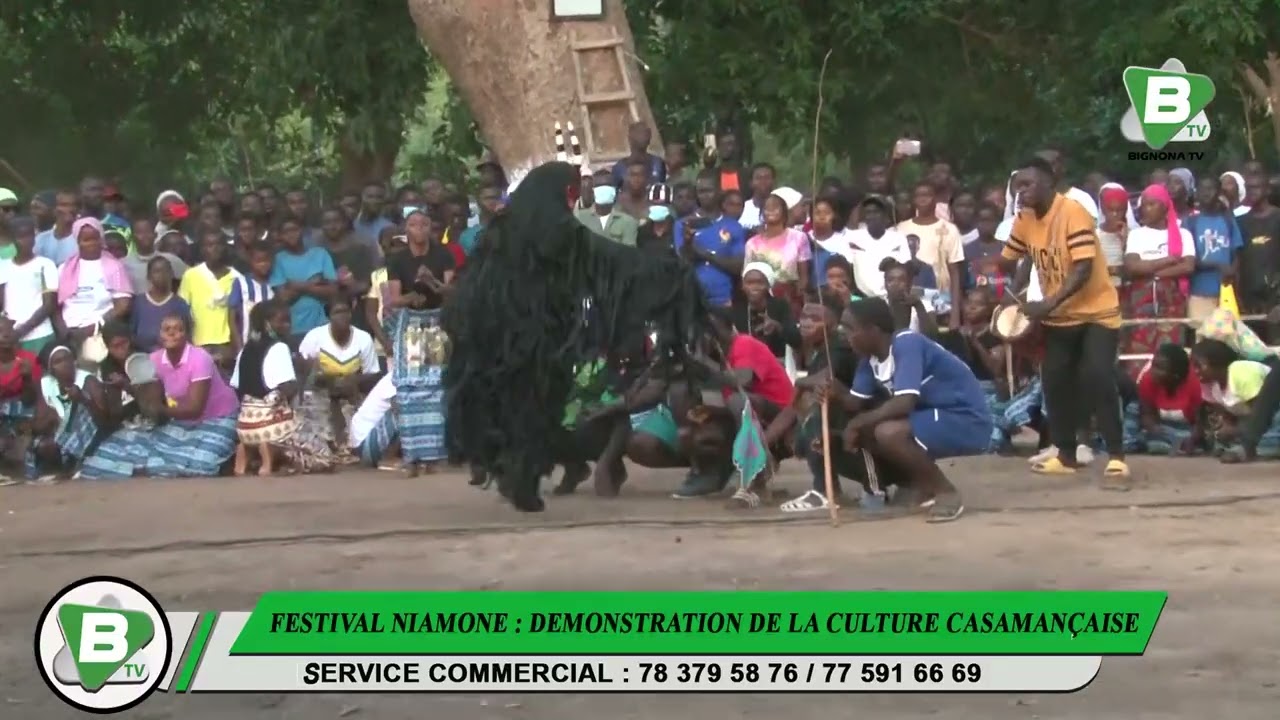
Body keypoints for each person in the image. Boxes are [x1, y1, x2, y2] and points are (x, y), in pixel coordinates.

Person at [444, 161, 710, 512]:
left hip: (492, 332)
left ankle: (518, 471)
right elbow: (604, 257)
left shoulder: (502, 226)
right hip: (526, 334)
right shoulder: (553, 227)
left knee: (509, 401)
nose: (573, 199)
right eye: (570, 191)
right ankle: (523, 479)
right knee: (530, 402)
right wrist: (667, 272)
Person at [1000, 157, 1129, 484]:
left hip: (1097, 311)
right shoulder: (1025, 218)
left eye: (1028, 185)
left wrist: (1047, 303)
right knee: (1055, 382)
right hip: (1060, 316)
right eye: (1018, 186)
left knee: (1098, 376)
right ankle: (1066, 454)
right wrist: (1009, 295)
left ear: (1048, 184)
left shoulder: (1073, 212)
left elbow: (1083, 269)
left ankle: (1116, 455)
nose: (1022, 191)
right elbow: (1016, 257)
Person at [820, 298, 989, 523]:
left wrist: (857, 422)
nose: (844, 334)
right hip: (934, 418)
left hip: (965, 419)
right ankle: (919, 485)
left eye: (850, 328)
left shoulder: (906, 343)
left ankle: (946, 493)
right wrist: (836, 392)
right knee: (870, 431)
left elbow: (905, 401)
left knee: (888, 433)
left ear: (873, 330)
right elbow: (854, 402)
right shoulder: (868, 360)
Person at [79, 313, 240, 479]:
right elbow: (150, 397)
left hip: (219, 417)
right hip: (182, 420)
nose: (172, 333)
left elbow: (195, 409)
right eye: (167, 329)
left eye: (178, 329)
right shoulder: (154, 360)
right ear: (160, 335)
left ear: (187, 335)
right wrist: (143, 396)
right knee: (133, 451)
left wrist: (159, 409)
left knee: (201, 464)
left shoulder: (200, 358)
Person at [386, 207, 455, 475]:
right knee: (410, 389)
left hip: (435, 322)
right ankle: (412, 453)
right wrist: (412, 294)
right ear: (407, 229)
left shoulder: (443, 254)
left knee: (435, 386)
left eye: (424, 224)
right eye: (413, 225)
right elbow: (393, 299)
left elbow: (449, 291)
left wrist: (432, 281)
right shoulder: (397, 259)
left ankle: (433, 455)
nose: (419, 229)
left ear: (430, 228)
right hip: (411, 325)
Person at [231, 300, 336, 475]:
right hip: (272, 425)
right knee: (324, 457)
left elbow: (236, 386)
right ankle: (274, 450)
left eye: (289, 321)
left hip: (246, 425)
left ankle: (249, 451)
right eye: (282, 321)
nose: (288, 326)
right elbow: (288, 390)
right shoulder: (279, 348)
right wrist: (303, 372)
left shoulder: (245, 349)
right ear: (267, 323)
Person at [1120, 184, 1195, 368]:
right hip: (1140, 300)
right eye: (1143, 205)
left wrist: (1152, 271)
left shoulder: (1182, 233)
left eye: (1151, 204)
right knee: (1139, 348)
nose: (1145, 209)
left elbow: (1187, 266)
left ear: (1164, 207)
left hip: (1171, 299)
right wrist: (1168, 260)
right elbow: (1132, 267)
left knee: (1170, 350)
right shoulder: (1136, 235)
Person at [298, 297, 381, 463]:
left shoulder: (363, 338)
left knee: (358, 433)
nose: (342, 316)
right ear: (329, 316)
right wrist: (326, 380)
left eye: (346, 312)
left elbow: (373, 374)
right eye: (337, 312)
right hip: (321, 393)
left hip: (350, 394)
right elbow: (302, 368)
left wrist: (353, 380)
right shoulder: (315, 337)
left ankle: (345, 447)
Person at [1192, 339, 1280, 460]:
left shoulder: (1239, 370)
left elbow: (1262, 412)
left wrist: (1237, 430)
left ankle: (1260, 446)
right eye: (1194, 366)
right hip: (1252, 426)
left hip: (1268, 415)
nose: (1196, 371)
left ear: (1216, 362)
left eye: (1199, 365)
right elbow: (1228, 417)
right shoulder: (1210, 386)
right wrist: (1225, 430)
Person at [57, 217, 133, 357]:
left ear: (101, 239)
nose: (91, 244)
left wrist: (95, 327)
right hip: (69, 333)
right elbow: (56, 304)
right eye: (86, 240)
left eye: (95, 239)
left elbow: (123, 306)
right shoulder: (65, 268)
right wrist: (64, 331)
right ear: (78, 241)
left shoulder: (113, 266)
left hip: (99, 333)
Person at [26, 344, 99, 482]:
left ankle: (73, 465)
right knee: (43, 445)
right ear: (50, 369)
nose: (66, 364)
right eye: (58, 362)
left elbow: (103, 419)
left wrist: (82, 399)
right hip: (58, 435)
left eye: (68, 359)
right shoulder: (46, 384)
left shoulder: (88, 380)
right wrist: (52, 419)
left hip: (88, 435)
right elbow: (38, 424)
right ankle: (59, 468)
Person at [673, 170, 747, 307]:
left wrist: (704, 254)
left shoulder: (734, 226)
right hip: (690, 297)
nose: (704, 196)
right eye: (701, 191)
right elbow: (683, 261)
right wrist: (688, 243)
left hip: (723, 298)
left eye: (709, 191)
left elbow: (737, 267)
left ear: (719, 191)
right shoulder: (683, 224)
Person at [896, 182, 963, 327]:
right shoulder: (901, 228)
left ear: (936, 199)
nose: (923, 199)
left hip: (940, 301)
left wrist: (955, 315)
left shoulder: (949, 229)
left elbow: (954, 272)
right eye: (918, 195)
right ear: (913, 200)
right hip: (908, 299)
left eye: (927, 195)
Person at [1123, 343, 1204, 455]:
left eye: (1160, 368)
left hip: (1185, 427)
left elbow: (1199, 424)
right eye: (1153, 365)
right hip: (1160, 425)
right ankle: (1130, 442)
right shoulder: (1147, 380)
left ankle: (1171, 445)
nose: (1153, 372)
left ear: (1175, 374)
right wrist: (1154, 428)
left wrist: (1192, 440)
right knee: (1133, 407)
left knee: (1180, 440)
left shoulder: (1195, 384)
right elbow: (1147, 414)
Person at [1184, 176, 1244, 321]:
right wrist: (1217, 265)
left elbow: (1237, 252)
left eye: (1211, 189)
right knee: (1203, 338)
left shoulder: (1228, 220)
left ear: (1219, 193)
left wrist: (1232, 271)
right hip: (1199, 292)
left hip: (1226, 292)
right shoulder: (1190, 222)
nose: (1206, 193)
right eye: (1202, 189)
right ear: (1196, 193)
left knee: (1228, 339)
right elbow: (1187, 259)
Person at [178, 230, 241, 367]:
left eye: (219, 244)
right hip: (199, 344)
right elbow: (183, 313)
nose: (215, 249)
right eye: (209, 245)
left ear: (225, 247)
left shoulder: (237, 277)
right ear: (202, 249)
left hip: (227, 345)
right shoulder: (191, 275)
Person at [270, 216, 337, 345]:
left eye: (294, 229)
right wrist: (313, 283)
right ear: (280, 236)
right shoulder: (278, 260)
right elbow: (283, 298)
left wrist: (295, 285)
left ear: (302, 230)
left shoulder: (320, 254)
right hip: (292, 329)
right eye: (286, 232)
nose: (291, 235)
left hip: (322, 326)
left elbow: (333, 291)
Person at [0, 217, 60, 353]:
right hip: (10, 338)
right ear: (12, 239)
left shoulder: (45, 265)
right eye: (21, 236)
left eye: (29, 235)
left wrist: (21, 331)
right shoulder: (4, 267)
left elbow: (49, 305)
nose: (26, 241)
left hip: (40, 334)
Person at [732, 262, 800, 364]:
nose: (754, 287)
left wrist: (777, 327)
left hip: (776, 361)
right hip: (746, 363)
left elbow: (796, 340)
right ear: (743, 286)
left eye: (760, 283)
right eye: (749, 283)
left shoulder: (780, 306)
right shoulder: (737, 308)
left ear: (768, 285)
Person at [131, 257, 191, 352]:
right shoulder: (138, 303)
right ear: (149, 276)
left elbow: (187, 337)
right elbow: (132, 335)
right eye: (157, 271)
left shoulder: (180, 304)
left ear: (172, 274)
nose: (162, 275)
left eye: (166, 271)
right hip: (143, 359)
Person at [227, 243, 275, 354]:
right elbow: (232, 318)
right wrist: (239, 346)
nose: (263, 264)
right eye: (259, 261)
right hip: (247, 344)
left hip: (270, 344)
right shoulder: (241, 282)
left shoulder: (274, 283)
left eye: (266, 261)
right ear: (251, 261)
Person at [124, 215, 187, 294]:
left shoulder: (171, 260)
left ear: (155, 234)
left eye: (148, 231)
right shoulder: (124, 264)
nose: (145, 236)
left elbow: (190, 279)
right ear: (132, 237)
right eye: (140, 232)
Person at [575, 172, 639, 246]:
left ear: (614, 191)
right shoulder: (579, 218)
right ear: (593, 191)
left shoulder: (628, 222)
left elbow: (628, 252)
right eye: (599, 186)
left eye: (608, 185)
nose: (603, 189)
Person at [610, 122, 666, 188]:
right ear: (630, 138)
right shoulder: (619, 168)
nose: (642, 136)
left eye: (645, 133)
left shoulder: (658, 163)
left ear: (650, 137)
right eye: (638, 133)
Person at [34, 190, 78, 265]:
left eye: (74, 205)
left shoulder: (80, 239)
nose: (70, 209)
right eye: (64, 205)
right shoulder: (41, 239)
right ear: (54, 209)